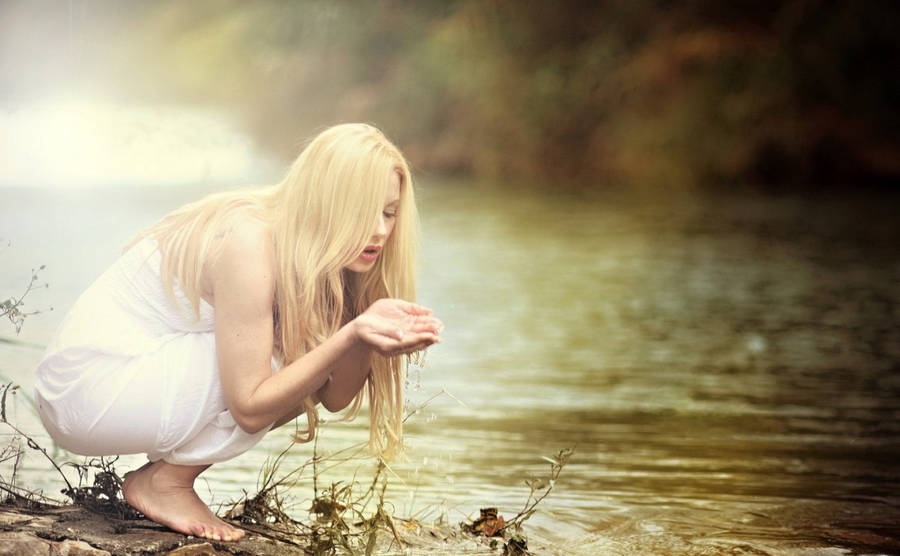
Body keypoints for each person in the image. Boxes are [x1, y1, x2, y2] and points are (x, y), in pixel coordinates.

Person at [33, 123, 443, 542]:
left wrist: (365, 328)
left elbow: (334, 395)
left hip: (124, 382)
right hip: (88, 388)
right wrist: (350, 334)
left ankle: (164, 480)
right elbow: (250, 406)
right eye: (363, 211)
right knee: (292, 354)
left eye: (389, 213)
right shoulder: (251, 242)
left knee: (305, 356)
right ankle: (166, 484)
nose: (380, 230)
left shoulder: (322, 254)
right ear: (325, 202)